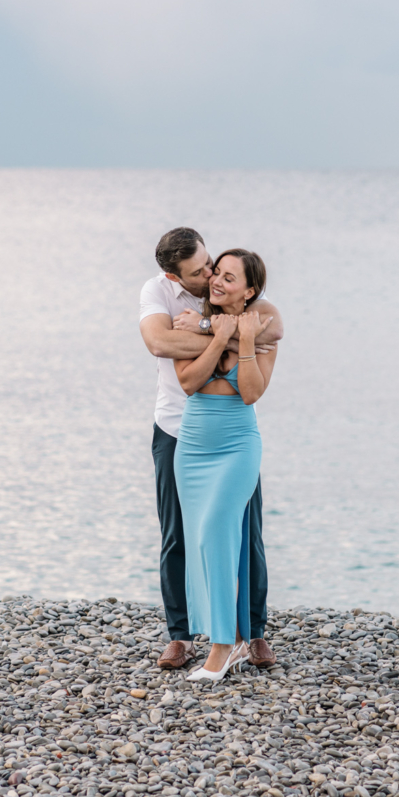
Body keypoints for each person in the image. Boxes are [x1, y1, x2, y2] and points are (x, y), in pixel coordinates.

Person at [138, 228, 283, 671]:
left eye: (212, 266)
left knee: (246, 534)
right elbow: (160, 343)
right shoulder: (159, 293)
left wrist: (210, 327)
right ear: (173, 275)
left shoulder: (237, 302)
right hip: (176, 430)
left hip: (233, 437)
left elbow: (273, 329)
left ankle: (252, 632)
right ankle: (180, 635)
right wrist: (228, 334)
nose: (209, 275)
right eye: (201, 271)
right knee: (178, 536)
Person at [174, 248, 277, 681]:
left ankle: (224, 647)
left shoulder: (264, 328)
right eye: (217, 272)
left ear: (249, 290)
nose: (216, 280)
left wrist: (246, 339)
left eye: (229, 278)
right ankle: (225, 635)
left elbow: (251, 393)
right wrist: (217, 335)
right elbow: (187, 381)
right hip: (193, 444)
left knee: (218, 528)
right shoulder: (188, 319)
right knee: (201, 541)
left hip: (237, 444)